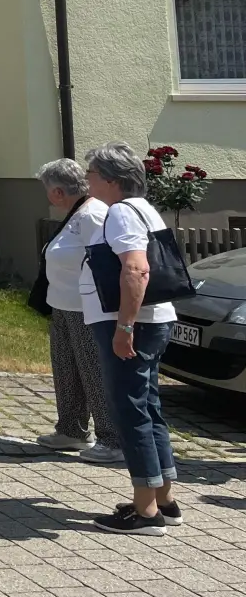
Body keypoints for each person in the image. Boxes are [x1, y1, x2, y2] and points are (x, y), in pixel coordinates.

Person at [81, 143, 184, 535]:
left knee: (131, 411)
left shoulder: (121, 212)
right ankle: (163, 499)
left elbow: (137, 270)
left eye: (91, 172)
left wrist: (124, 327)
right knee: (148, 406)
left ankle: (145, 513)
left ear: (110, 179)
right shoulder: (143, 207)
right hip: (153, 320)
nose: (87, 178)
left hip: (132, 323)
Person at [35, 159, 120, 463]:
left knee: (93, 372)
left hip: (86, 310)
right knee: (67, 370)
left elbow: (108, 261)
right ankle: (71, 429)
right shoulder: (76, 213)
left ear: (58, 192)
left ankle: (111, 438)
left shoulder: (93, 214)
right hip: (63, 305)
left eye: (47, 191)